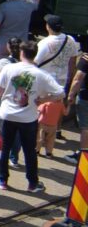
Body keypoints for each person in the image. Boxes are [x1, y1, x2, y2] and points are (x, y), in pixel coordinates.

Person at [0, 51, 64, 194]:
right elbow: (60, 93)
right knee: (29, 151)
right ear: (34, 54)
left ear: (21, 53)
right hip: (28, 119)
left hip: (6, 115)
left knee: (4, 148)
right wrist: (43, 100)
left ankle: (2, 179)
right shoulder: (40, 74)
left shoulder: (9, 68)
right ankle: (32, 183)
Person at [32, 15, 78, 158]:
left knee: (40, 107)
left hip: (45, 81)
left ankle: (38, 136)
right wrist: (70, 76)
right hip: (61, 80)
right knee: (57, 108)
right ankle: (55, 131)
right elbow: (72, 60)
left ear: (48, 27)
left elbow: (35, 62)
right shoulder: (70, 40)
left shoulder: (45, 43)